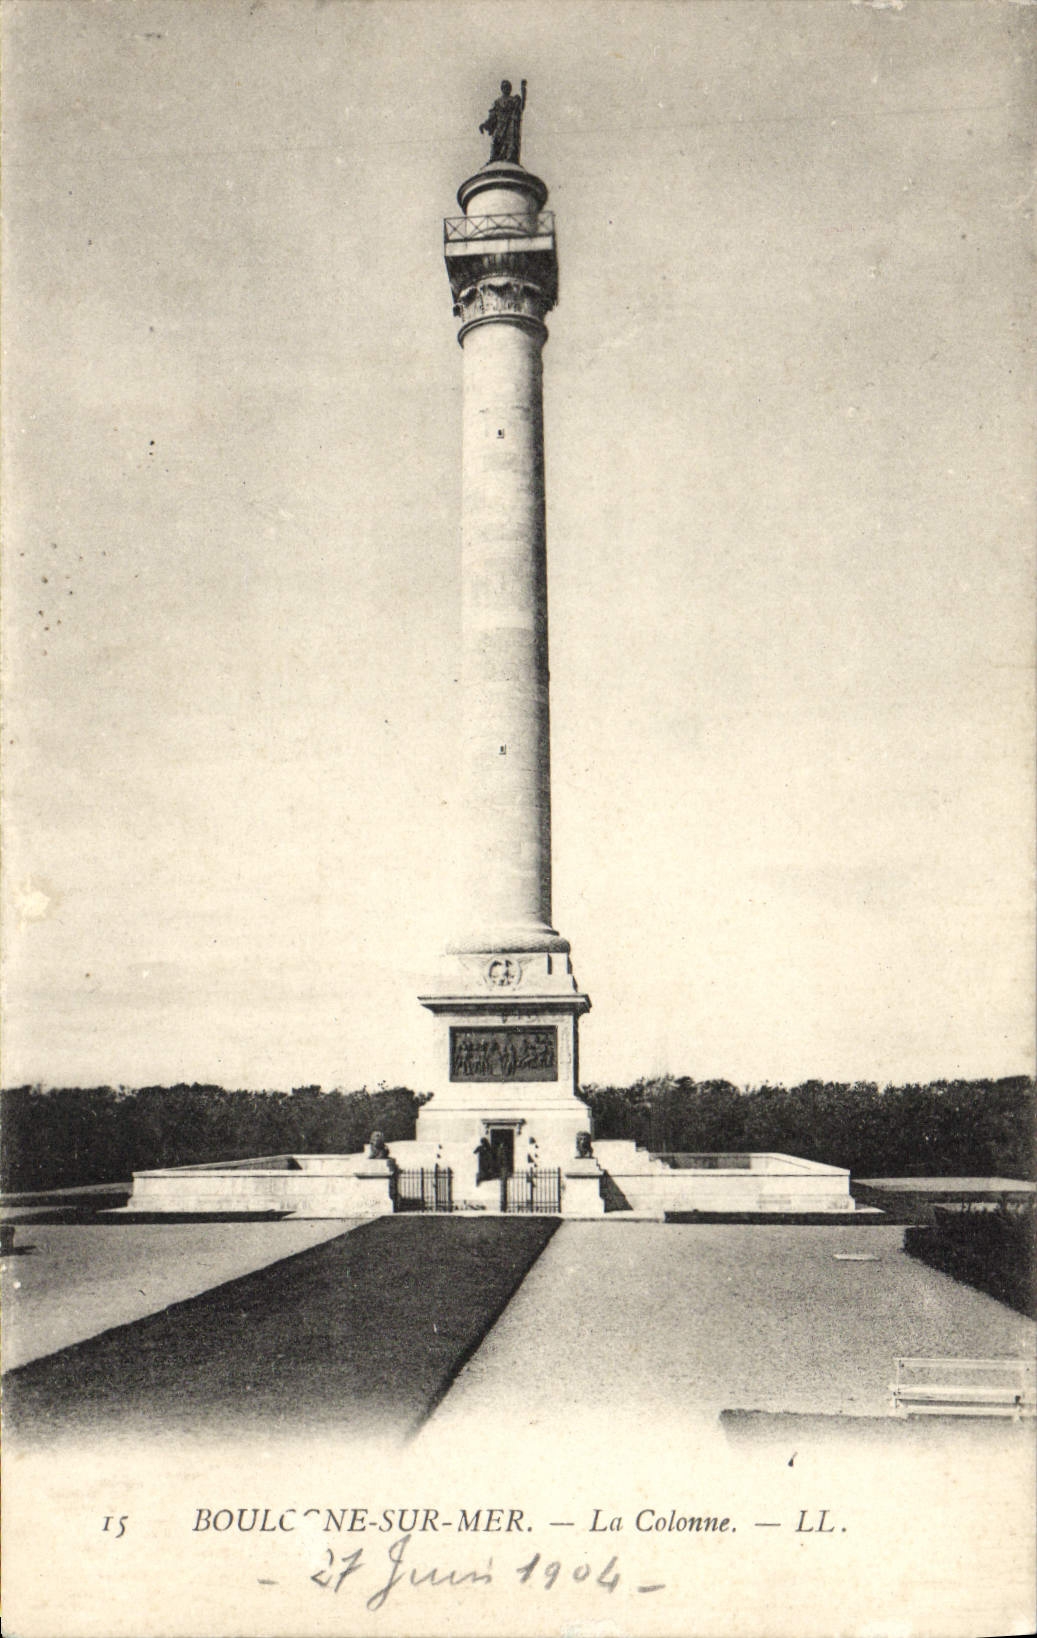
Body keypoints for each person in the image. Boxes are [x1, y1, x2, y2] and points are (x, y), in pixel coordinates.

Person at [480, 79, 527, 165]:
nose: (506, 88)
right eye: (505, 87)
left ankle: (509, 159)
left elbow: (521, 107)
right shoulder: (497, 102)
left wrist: (523, 89)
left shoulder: (514, 100)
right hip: (500, 126)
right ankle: (494, 159)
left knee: (510, 144)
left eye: (508, 87)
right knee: (496, 142)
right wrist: (485, 124)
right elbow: (492, 116)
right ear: (502, 89)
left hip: (510, 126)